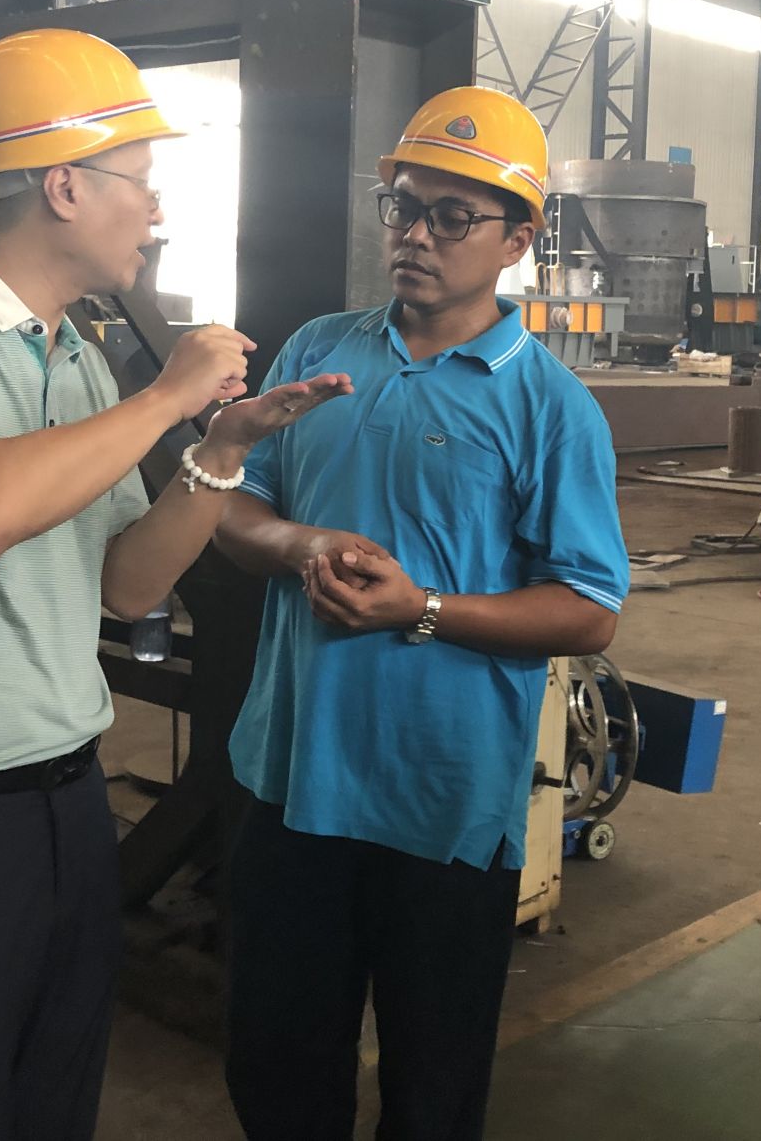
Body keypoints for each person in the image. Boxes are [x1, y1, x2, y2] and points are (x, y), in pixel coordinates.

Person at [0, 29, 348, 1141]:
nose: (156, 209)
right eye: (140, 179)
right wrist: (165, 396)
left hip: (63, 807)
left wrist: (220, 449)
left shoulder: (77, 360)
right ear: (64, 184)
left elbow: (126, 586)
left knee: (50, 1110)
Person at [213, 86, 631, 1141]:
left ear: (517, 240)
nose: (415, 236)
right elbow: (231, 508)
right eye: (403, 207)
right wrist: (300, 544)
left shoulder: (549, 406)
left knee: (432, 1092)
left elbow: (589, 610)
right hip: (291, 782)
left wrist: (424, 608)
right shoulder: (317, 353)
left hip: (441, 807)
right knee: (276, 1074)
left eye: (452, 217)